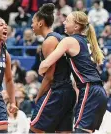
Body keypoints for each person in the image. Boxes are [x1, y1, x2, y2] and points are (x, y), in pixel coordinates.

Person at [38, 11, 108, 133]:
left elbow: (45, 65)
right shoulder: (87, 40)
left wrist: (42, 67)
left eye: (68, 20)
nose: (64, 22)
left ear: (76, 26)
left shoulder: (69, 41)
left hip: (89, 89)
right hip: (99, 91)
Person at [30, 3, 76, 133]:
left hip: (57, 90)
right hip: (68, 91)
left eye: (33, 22)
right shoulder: (60, 37)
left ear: (40, 23)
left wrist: (38, 97)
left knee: (35, 128)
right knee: (64, 131)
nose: (31, 26)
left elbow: (49, 77)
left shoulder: (49, 41)